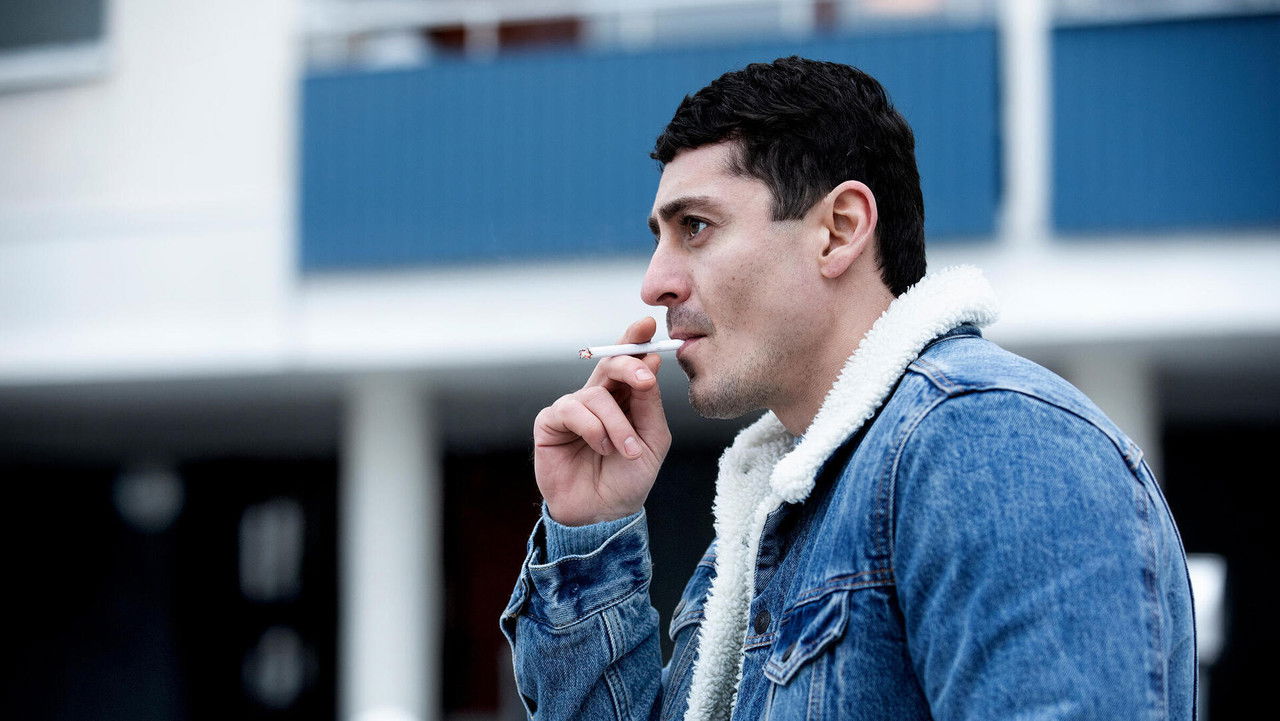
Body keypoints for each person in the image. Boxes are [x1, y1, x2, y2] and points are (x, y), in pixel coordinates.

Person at [500, 57, 1196, 721]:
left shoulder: (992, 443)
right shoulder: (764, 520)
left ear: (839, 230)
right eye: (661, 237)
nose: (656, 283)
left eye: (696, 227)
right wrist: (591, 530)